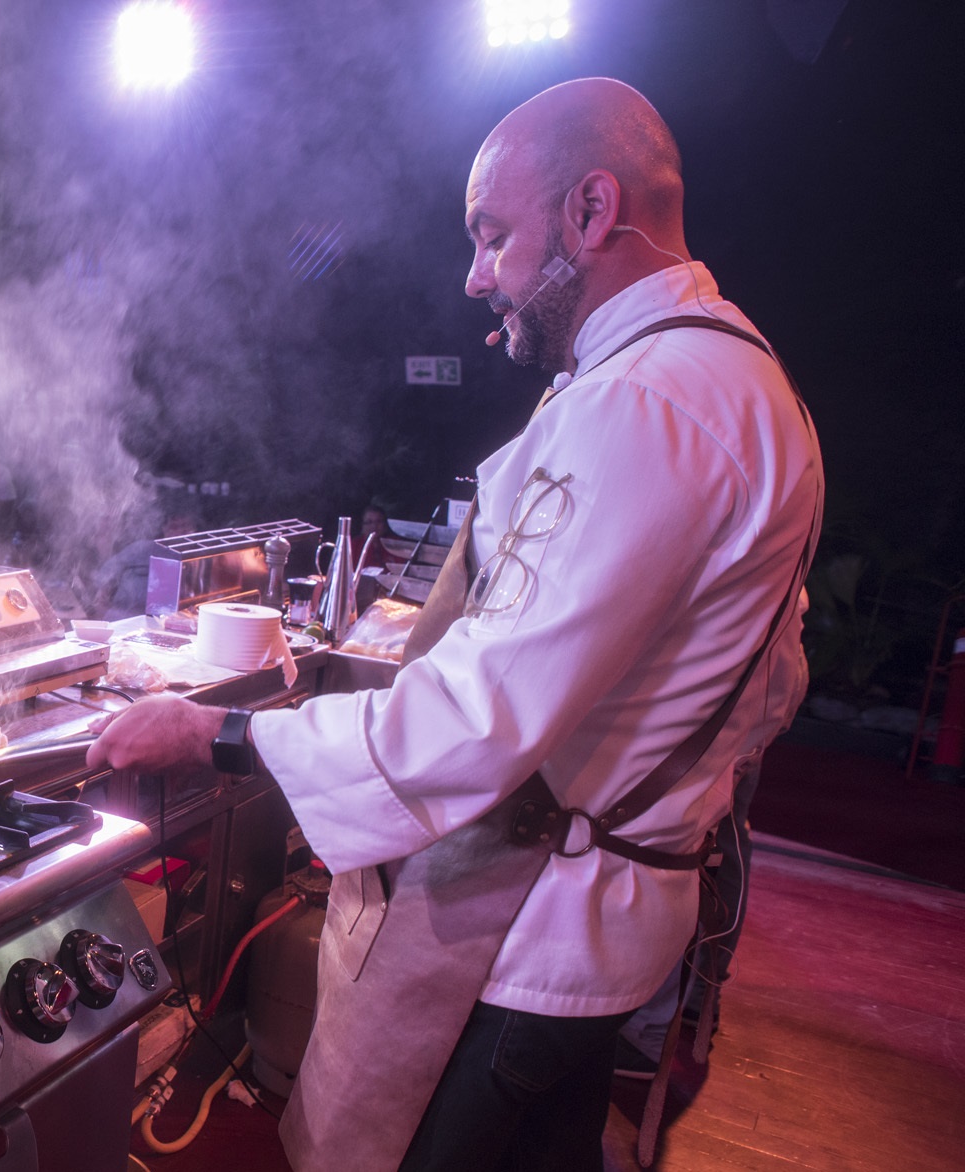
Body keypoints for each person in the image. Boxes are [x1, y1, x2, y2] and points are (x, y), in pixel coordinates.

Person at [85, 77, 821, 1172]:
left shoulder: (647, 401)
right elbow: (764, 682)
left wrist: (219, 734)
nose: (474, 276)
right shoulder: (736, 373)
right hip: (611, 924)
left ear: (588, 210)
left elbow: (473, 714)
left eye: (491, 236)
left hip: (533, 941)